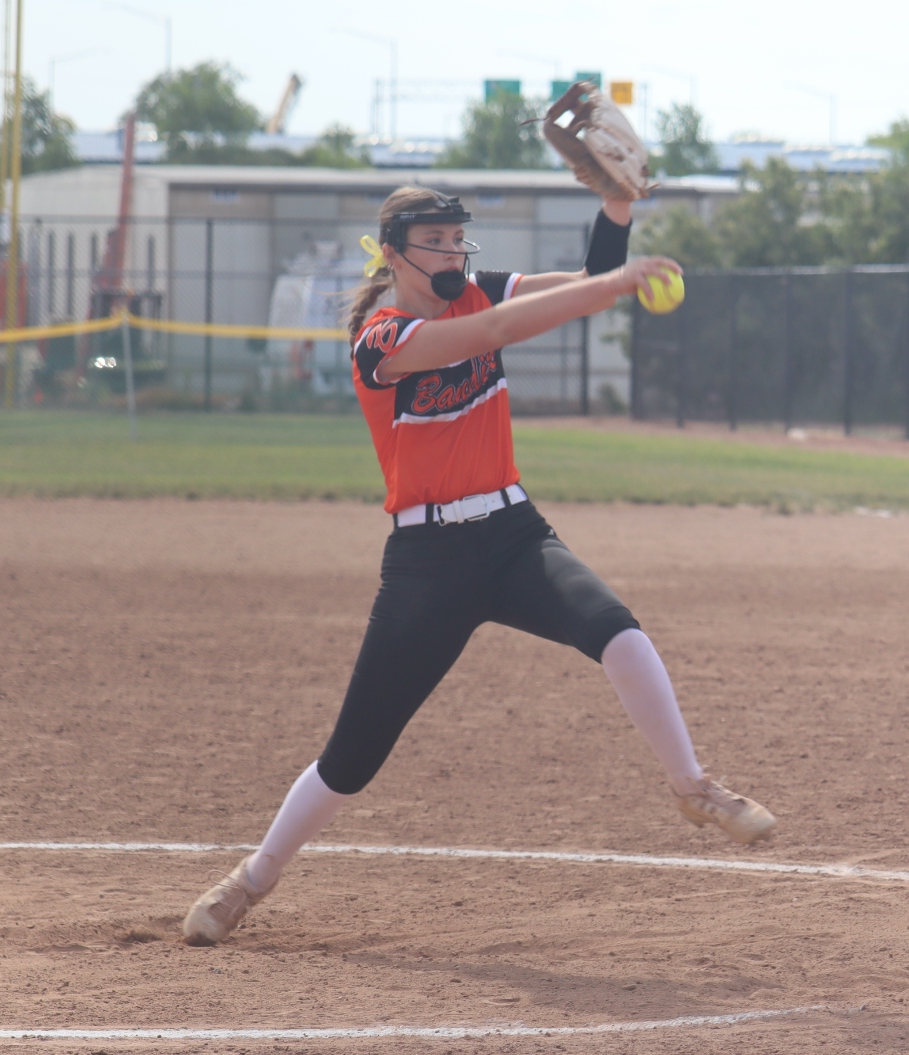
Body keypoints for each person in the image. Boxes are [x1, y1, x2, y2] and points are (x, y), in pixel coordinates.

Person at [182, 186, 775, 946]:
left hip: (512, 535)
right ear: (393, 253)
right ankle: (250, 880)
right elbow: (495, 331)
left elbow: (586, 280)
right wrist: (618, 285)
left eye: (457, 238)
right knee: (353, 757)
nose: (452, 252)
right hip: (427, 565)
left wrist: (617, 210)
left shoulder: (479, 289)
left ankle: (694, 788)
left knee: (617, 631)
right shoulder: (380, 338)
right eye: (434, 239)